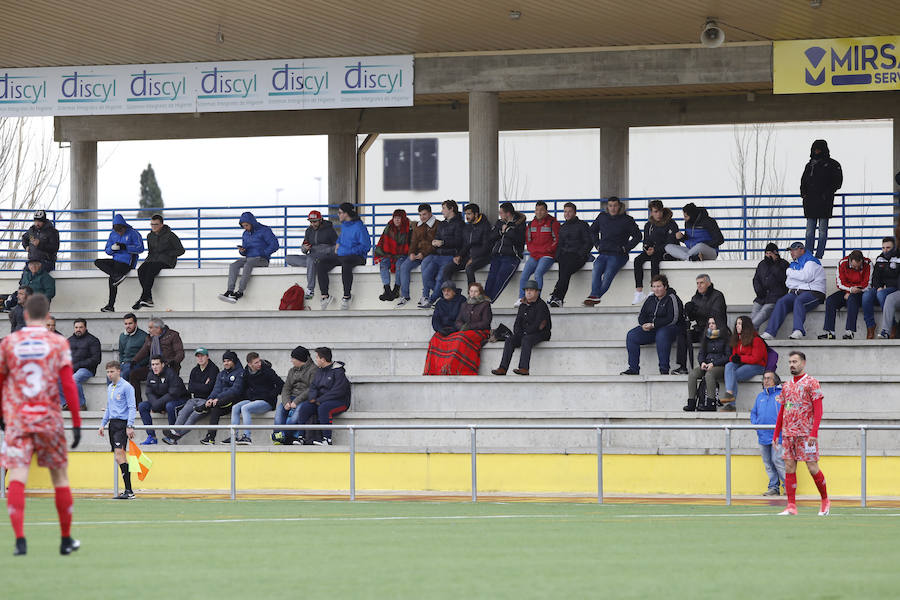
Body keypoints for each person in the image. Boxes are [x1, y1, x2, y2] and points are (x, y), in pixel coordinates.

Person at [1, 293, 81, 556]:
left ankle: (20, 540)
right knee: (59, 477)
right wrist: (77, 422)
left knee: (18, 476)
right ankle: (65, 539)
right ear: (47, 317)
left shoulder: (9, 343)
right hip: (49, 419)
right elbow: (69, 384)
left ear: (25, 315)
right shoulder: (57, 342)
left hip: (19, 419)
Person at [772, 351, 830, 516]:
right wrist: (776, 434)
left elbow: (818, 410)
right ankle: (791, 505)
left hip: (806, 435)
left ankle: (825, 500)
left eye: (795, 361)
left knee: (812, 467)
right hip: (789, 434)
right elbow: (782, 410)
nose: (792, 364)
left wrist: (814, 433)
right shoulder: (786, 385)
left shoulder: (812, 383)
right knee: (789, 467)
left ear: (803, 363)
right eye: (790, 362)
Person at [424, 282, 493, 376]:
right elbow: (458, 320)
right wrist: (440, 329)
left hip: (480, 331)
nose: (473, 294)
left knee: (460, 338)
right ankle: (434, 370)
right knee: (435, 339)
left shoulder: (485, 304)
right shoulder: (465, 304)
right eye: (471, 291)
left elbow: (485, 323)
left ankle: (452, 368)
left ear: (480, 293)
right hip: (463, 330)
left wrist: (465, 327)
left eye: (475, 291)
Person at [762, 241, 826, 340]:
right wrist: (799, 279)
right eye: (790, 251)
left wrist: (790, 273)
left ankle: (798, 330)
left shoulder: (811, 261)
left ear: (801, 249)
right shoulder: (794, 264)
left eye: (793, 250)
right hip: (797, 292)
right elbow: (788, 283)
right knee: (781, 302)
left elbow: (806, 277)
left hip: (815, 293)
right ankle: (770, 332)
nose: (791, 253)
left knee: (799, 301)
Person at [584, 196, 641, 306]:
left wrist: (626, 248)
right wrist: (597, 245)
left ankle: (595, 296)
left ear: (619, 206)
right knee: (596, 269)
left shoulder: (627, 220)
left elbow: (638, 236)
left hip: (618, 255)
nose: (613, 208)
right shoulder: (602, 217)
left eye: (615, 206)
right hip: (603, 253)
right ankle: (594, 296)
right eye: (610, 206)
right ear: (607, 207)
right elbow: (592, 231)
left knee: (607, 276)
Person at [621, 274, 683, 376]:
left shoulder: (672, 298)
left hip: (670, 329)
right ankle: (633, 369)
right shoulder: (650, 299)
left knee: (662, 334)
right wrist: (644, 324)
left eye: (659, 286)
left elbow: (673, 319)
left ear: (665, 286)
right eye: (654, 287)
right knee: (631, 335)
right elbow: (642, 316)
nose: (656, 289)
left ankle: (664, 370)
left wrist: (654, 325)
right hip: (652, 329)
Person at [491, 279, 551, 376]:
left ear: (537, 292)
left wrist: (525, 333)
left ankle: (524, 368)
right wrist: (518, 333)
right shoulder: (522, 305)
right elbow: (517, 322)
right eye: (527, 290)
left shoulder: (541, 305)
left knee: (526, 340)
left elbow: (539, 325)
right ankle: (503, 368)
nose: (528, 292)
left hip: (541, 333)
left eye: (531, 290)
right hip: (524, 333)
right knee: (510, 340)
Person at [317, 202, 371, 310]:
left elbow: (366, 246)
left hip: (357, 257)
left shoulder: (359, 227)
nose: (338, 215)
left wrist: (348, 251)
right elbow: (341, 239)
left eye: (340, 212)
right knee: (321, 262)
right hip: (343, 255)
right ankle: (325, 296)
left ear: (346, 214)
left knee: (346, 263)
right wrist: (338, 245)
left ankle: (347, 297)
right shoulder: (345, 226)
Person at [218, 211, 279, 303]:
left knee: (248, 265)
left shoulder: (265, 230)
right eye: (243, 226)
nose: (245, 228)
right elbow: (245, 250)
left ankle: (240, 292)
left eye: (246, 225)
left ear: (252, 223)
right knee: (234, 265)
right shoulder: (245, 234)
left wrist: (263, 253)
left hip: (262, 259)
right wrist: (242, 251)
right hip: (249, 257)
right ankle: (230, 291)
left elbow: (275, 245)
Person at [162, 348, 220, 445]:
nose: (200, 358)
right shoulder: (194, 370)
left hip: (206, 401)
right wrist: (203, 385)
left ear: (207, 357)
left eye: (202, 356)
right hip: (194, 399)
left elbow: (209, 388)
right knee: (182, 413)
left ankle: (174, 437)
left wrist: (200, 386)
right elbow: (191, 388)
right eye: (198, 356)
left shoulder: (214, 369)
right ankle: (174, 433)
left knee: (192, 417)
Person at [224, 352, 284, 445]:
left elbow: (281, 385)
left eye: (259, 361)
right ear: (249, 364)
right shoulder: (246, 372)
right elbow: (244, 388)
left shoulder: (267, 371)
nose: (259, 364)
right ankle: (234, 436)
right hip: (253, 399)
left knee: (245, 408)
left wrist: (270, 395)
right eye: (256, 363)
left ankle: (247, 437)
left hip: (267, 401)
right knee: (235, 407)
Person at [295, 347, 351, 446]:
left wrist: (320, 400)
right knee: (304, 407)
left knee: (324, 408)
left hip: (340, 402)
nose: (315, 360)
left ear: (323, 360)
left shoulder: (338, 371)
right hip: (320, 401)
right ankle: (301, 437)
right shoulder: (319, 371)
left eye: (317, 357)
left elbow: (338, 391)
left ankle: (327, 440)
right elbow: (313, 386)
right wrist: (312, 398)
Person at [674, 273, 728, 374]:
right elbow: (693, 317)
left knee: (705, 335)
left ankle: (703, 365)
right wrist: (689, 311)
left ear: (708, 283)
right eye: (697, 283)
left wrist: (696, 310)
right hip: (700, 329)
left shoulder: (718, 295)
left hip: (717, 331)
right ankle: (682, 367)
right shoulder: (695, 297)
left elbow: (715, 315)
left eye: (701, 283)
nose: (699, 285)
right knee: (682, 334)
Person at [99, 360, 137, 499]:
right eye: (108, 372)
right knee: (118, 456)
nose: (109, 374)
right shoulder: (111, 387)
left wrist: (129, 425)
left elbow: (132, 407)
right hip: (113, 424)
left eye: (112, 371)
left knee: (120, 455)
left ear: (119, 371)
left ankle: (129, 490)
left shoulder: (127, 387)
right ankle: (128, 490)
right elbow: (109, 407)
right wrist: (103, 424)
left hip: (122, 424)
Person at [800, 139, 843, 259]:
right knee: (809, 232)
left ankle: (819, 255)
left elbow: (837, 182)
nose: (817, 151)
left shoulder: (833, 164)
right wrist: (803, 193)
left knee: (822, 232)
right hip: (810, 204)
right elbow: (803, 181)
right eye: (815, 149)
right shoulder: (809, 165)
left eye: (819, 149)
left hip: (825, 203)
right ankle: (808, 255)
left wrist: (827, 194)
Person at [132, 213, 185, 310]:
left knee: (151, 269)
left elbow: (181, 250)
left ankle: (144, 298)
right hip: (153, 260)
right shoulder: (149, 236)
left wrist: (168, 253)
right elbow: (150, 252)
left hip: (167, 261)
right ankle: (148, 298)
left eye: (155, 224)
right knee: (141, 270)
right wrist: (146, 262)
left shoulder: (170, 235)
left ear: (161, 224)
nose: (153, 226)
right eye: (152, 224)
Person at [95, 214, 145, 312]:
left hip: (127, 263)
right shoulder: (112, 234)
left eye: (121, 230)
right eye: (117, 231)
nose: (120, 233)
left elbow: (140, 248)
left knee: (112, 279)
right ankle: (116, 276)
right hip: (116, 260)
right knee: (98, 262)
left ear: (124, 226)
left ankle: (110, 305)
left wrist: (125, 247)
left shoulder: (133, 233)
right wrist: (112, 249)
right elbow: (107, 250)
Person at [419, 200, 464, 308]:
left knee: (440, 278)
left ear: (451, 209)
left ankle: (432, 300)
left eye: (444, 208)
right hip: (438, 255)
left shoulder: (459, 223)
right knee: (426, 276)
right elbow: (438, 236)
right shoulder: (442, 224)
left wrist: (443, 243)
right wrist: (435, 241)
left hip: (450, 255)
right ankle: (442, 295)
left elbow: (459, 241)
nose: (441, 211)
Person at [633, 200, 678, 305]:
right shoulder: (649, 225)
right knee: (637, 260)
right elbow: (646, 241)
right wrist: (647, 249)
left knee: (655, 259)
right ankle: (639, 292)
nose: (658, 214)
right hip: (652, 251)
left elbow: (671, 242)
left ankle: (653, 290)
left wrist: (656, 250)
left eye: (659, 211)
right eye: (655, 212)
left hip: (666, 252)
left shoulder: (671, 223)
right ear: (651, 212)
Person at [129, 317, 185, 404]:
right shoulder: (150, 338)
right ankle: (137, 403)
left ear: (158, 328)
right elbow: (144, 351)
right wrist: (134, 360)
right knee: (134, 374)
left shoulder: (173, 335)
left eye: (151, 328)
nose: (149, 330)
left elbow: (180, 353)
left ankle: (163, 404)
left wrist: (174, 361)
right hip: (153, 367)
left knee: (165, 380)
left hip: (169, 367)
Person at [818, 250, 871, 340]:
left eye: (859, 267)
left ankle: (849, 332)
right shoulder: (842, 263)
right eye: (854, 266)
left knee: (852, 299)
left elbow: (868, 283)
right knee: (830, 300)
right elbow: (839, 283)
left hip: (861, 292)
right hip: (846, 290)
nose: (856, 269)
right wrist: (850, 290)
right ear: (850, 261)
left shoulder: (868, 263)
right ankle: (830, 332)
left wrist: (854, 291)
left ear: (862, 261)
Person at [285, 210, 337, 300]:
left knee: (310, 259)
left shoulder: (329, 230)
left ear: (320, 220)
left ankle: (310, 289)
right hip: (311, 255)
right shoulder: (309, 231)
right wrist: (305, 248)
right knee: (288, 258)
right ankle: (313, 264)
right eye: (311, 222)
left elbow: (337, 246)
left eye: (315, 221)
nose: (313, 224)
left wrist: (325, 250)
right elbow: (303, 248)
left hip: (324, 256)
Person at [516, 201, 560, 307]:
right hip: (534, 255)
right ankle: (522, 298)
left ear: (546, 211)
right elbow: (528, 240)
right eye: (537, 210)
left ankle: (536, 300)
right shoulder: (531, 224)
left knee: (537, 274)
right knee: (524, 275)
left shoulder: (553, 223)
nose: (539, 212)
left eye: (541, 210)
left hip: (547, 255)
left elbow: (557, 240)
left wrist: (548, 249)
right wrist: (532, 250)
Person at [548, 202, 592, 308]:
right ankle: (558, 298)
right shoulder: (563, 227)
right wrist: (557, 257)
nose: (567, 214)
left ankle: (556, 296)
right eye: (565, 211)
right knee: (564, 272)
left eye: (569, 211)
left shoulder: (582, 225)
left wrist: (581, 254)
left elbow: (589, 242)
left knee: (565, 272)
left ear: (575, 213)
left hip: (578, 256)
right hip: (565, 256)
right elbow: (560, 244)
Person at [137, 355, 188, 445]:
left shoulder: (171, 374)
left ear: (163, 364)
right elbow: (149, 392)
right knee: (142, 406)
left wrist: (157, 405)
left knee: (170, 406)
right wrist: (156, 404)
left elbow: (173, 394)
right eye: (153, 364)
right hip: (160, 401)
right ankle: (152, 437)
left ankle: (172, 437)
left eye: (157, 364)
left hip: (179, 399)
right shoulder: (150, 375)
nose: (154, 367)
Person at [272, 346, 318, 445]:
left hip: (305, 399)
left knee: (296, 416)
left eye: (293, 358)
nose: (291, 361)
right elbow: (286, 388)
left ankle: (281, 435)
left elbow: (311, 389)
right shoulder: (292, 370)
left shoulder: (314, 370)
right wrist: (286, 401)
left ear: (300, 359)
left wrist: (296, 401)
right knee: (280, 411)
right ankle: (278, 435)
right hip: (291, 398)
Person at [684, 316, 730, 412]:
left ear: (718, 324)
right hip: (707, 364)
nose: (711, 325)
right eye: (709, 324)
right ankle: (691, 402)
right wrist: (702, 362)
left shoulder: (726, 336)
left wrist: (714, 363)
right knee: (693, 374)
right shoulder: (706, 336)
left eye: (713, 323)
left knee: (709, 374)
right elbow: (701, 353)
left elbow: (728, 356)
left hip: (721, 366)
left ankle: (711, 403)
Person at [721, 316, 768, 411]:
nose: (736, 326)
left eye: (739, 324)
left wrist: (740, 358)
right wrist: (734, 358)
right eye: (736, 324)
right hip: (744, 363)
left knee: (733, 375)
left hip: (758, 366)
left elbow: (756, 358)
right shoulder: (737, 339)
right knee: (729, 365)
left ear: (745, 326)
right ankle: (729, 392)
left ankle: (731, 405)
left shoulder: (756, 340)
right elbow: (734, 357)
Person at [484, 202, 527, 303]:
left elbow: (519, 239)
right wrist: (501, 231)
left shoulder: (519, 223)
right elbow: (491, 237)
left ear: (508, 213)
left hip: (511, 256)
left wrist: (507, 230)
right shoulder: (499, 223)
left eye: (501, 213)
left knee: (501, 278)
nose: (500, 215)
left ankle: (490, 300)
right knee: (491, 277)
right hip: (497, 254)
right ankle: (484, 298)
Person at [751, 371, 785, 497]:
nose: (766, 381)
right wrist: (756, 425)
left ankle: (788, 486)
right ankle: (773, 488)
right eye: (764, 378)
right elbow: (753, 412)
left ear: (775, 380)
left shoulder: (782, 395)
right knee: (768, 463)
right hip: (763, 436)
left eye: (769, 378)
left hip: (778, 436)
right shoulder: (760, 396)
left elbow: (788, 411)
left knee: (778, 460)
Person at [442, 203, 492, 288]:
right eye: (465, 214)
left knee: (469, 268)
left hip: (483, 256)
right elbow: (466, 245)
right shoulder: (467, 227)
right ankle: (450, 293)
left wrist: (473, 258)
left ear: (476, 214)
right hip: (469, 256)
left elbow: (486, 247)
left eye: (469, 214)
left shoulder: (485, 226)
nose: (466, 216)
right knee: (447, 268)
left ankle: (472, 296)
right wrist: (459, 255)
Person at [199, 351, 244, 445]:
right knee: (215, 409)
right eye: (224, 361)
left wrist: (218, 399)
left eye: (228, 361)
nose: (226, 363)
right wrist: (210, 399)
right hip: (222, 402)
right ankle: (210, 438)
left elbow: (235, 390)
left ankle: (205, 407)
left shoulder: (241, 373)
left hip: (235, 400)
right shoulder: (221, 374)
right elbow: (216, 389)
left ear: (234, 361)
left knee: (229, 396)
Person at [862, 237, 898, 339]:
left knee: (881, 294)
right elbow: (875, 277)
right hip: (881, 288)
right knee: (866, 295)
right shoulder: (880, 258)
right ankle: (870, 326)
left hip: (895, 288)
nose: (885, 250)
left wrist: (887, 286)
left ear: (894, 247)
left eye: (888, 247)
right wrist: (878, 287)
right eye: (883, 248)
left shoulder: (898, 258)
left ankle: (892, 325)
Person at [373, 209, 411, 301]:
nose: (396, 220)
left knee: (399, 265)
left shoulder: (408, 228)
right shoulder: (389, 227)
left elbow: (410, 244)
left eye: (399, 218)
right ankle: (387, 289)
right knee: (383, 264)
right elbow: (383, 241)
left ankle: (396, 289)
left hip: (403, 255)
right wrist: (381, 254)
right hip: (390, 255)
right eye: (395, 218)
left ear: (403, 219)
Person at [750, 243, 789, 330]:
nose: (768, 256)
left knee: (763, 313)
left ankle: (748, 330)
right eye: (766, 253)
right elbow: (756, 279)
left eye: (770, 253)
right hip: (761, 297)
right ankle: (751, 336)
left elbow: (783, 279)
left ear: (776, 253)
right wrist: (759, 291)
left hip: (776, 298)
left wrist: (774, 265)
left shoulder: (784, 264)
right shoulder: (762, 264)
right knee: (754, 313)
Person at [67, 318, 101, 411]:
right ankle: (65, 404)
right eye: (76, 327)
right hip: (71, 369)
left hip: (87, 370)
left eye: (81, 327)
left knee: (74, 379)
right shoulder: (68, 341)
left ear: (85, 328)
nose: (78, 329)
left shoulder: (93, 340)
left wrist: (78, 365)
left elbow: (96, 359)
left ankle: (81, 404)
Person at [118, 313, 149, 384]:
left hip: (135, 365)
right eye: (126, 324)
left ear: (135, 323)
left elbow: (148, 354)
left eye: (130, 323)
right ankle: (112, 395)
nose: (128, 326)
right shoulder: (122, 336)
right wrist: (121, 362)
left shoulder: (144, 336)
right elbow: (121, 352)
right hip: (123, 364)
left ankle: (122, 394)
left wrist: (138, 363)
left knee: (123, 374)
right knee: (110, 374)